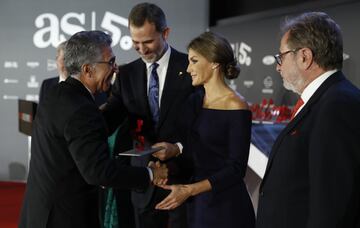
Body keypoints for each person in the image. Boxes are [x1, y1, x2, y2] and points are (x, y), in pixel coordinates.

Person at [19, 30, 168, 228]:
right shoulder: (80, 109)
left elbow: (88, 133)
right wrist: (150, 175)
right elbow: (99, 172)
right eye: (111, 62)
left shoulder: (58, 94)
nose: (116, 69)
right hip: (65, 218)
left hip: (40, 213)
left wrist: (123, 99)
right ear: (88, 70)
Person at [256, 12, 360, 228]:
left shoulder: (337, 105)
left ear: (304, 56)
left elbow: (332, 204)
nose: (278, 66)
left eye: (281, 57)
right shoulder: (328, 98)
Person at [102, 3, 193, 228]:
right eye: (135, 43)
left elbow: (204, 123)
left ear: (166, 33)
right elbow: (111, 116)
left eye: (148, 42)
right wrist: (85, 122)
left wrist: (179, 147)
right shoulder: (126, 74)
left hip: (184, 178)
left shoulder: (191, 67)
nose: (142, 49)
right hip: (144, 180)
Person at [154, 31, 255, 228]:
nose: (188, 68)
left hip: (224, 204)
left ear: (214, 62)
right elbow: (190, 147)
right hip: (196, 201)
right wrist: (164, 164)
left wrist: (190, 190)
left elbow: (236, 168)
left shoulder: (236, 106)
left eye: (194, 61)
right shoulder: (195, 100)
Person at [39, 40, 108, 106]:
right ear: (56, 60)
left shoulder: (94, 86)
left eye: (71, 60)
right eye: (64, 59)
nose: (68, 64)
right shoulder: (47, 85)